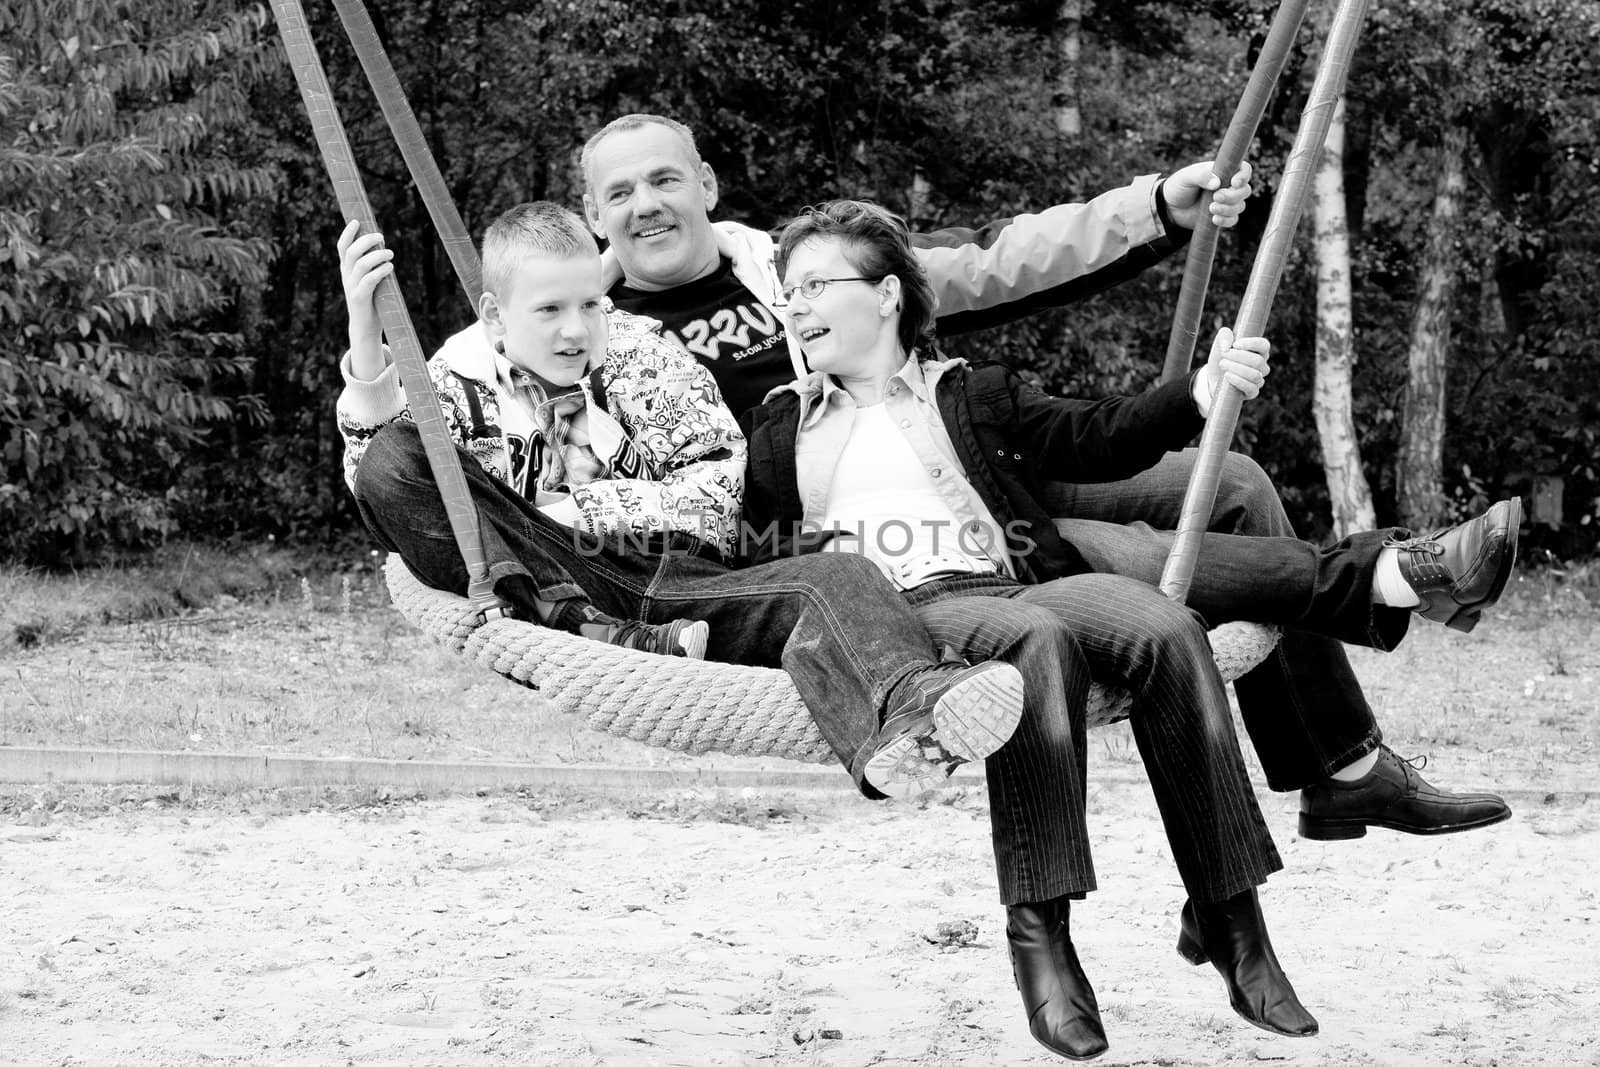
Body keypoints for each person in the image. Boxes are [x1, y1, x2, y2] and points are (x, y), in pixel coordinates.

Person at [577, 112, 1512, 840]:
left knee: (1230, 482)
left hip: (973, 466)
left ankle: (1339, 769)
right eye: (618, 192)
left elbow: (998, 258)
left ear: (705, 184)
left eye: (664, 178)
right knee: (1119, 560)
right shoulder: (579, 331)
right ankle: (1363, 671)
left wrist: (1156, 206)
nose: (645, 204)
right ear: (591, 216)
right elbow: (497, 424)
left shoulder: (789, 266)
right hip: (877, 547)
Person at [739, 199, 1523, 1057]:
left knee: (1166, 625)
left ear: (886, 295)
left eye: (816, 285)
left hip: (1011, 581)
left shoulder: (970, 393)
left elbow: (1097, 436)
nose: (796, 307)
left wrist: (1199, 390)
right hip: (913, 619)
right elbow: (754, 555)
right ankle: (1043, 942)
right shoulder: (781, 427)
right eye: (789, 293)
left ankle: (1233, 923)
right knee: (1040, 651)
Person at [334, 201, 1030, 798]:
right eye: (549, 310)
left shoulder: (643, 353)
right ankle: (575, 622)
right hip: (553, 574)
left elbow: (718, 489)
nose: (576, 330)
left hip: (677, 579)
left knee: (837, 572)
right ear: (495, 313)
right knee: (396, 455)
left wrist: (584, 512)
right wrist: (368, 346)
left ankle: (908, 710)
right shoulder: (457, 383)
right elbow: (381, 484)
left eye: (589, 304)